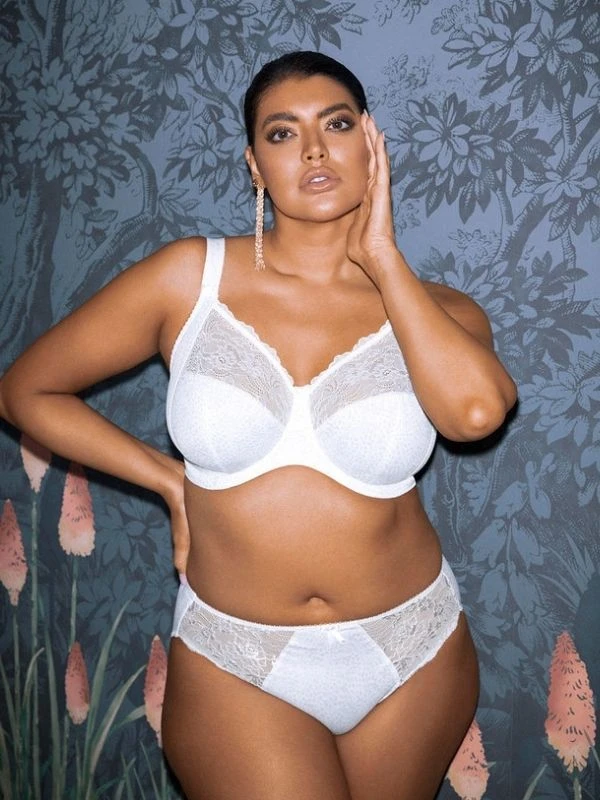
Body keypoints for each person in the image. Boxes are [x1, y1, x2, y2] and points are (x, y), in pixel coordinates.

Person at [0, 51, 516, 800]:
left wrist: (381, 257)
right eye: (282, 133)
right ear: (254, 165)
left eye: (336, 125)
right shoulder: (189, 277)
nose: (313, 150)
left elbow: (475, 415)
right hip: (236, 656)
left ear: (371, 142)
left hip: (414, 648)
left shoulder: (440, 309)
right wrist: (168, 481)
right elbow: (26, 391)